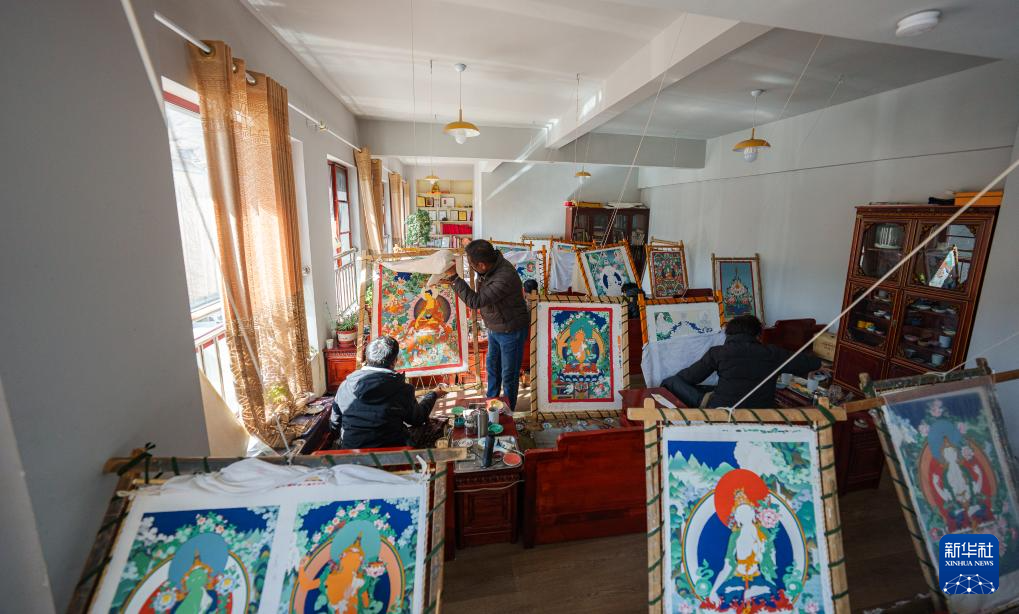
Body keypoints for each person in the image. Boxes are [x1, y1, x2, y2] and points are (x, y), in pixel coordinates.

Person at [662, 314, 821, 409]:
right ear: (758, 335)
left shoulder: (718, 353)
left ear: (729, 334)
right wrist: (818, 364)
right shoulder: (773, 353)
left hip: (720, 410)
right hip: (761, 412)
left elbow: (687, 378)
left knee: (671, 381)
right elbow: (811, 363)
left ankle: (699, 404)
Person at [442, 239, 530, 410]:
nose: (471, 267)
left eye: (471, 264)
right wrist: (453, 280)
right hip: (495, 327)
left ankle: (508, 412)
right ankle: (492, 406)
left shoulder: (504, 277)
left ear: (482, 265)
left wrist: (454, 278)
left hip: (511, 331)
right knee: (493, 369)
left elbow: (476, 301)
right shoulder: (491, 266)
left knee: (509, 374)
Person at [330, 336, 446, 449]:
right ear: (394, 361)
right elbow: (417, 419)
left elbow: (335, 424)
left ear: (367, 358)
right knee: (433, 427)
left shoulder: (345, 386)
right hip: (391, 453)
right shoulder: (402, 389)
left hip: (351, 452)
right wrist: (433, 394)